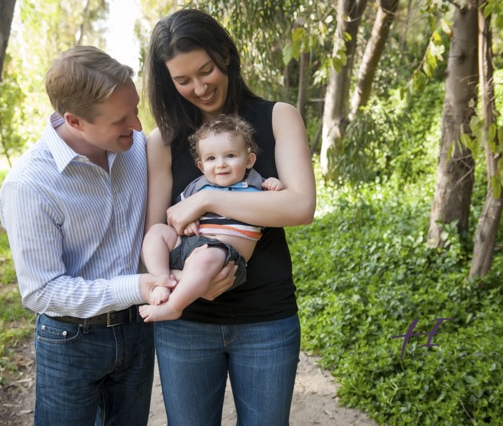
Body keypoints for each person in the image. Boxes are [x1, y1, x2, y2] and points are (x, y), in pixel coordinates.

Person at [143, 8, 316, 426]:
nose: (200, 88)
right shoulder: (162, 140)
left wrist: (205, 202)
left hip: (266, 319)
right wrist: (182, 285)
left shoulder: (278, 117)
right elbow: (156, 229)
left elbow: (299, 207)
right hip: (187, 323)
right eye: (183, 80)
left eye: (206, 71)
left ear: (225, 55)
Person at [0, 46, 183, 426]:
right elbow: (41, 291)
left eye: (135, 109)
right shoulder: (29, 185)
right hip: (70, 340)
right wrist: (136, 286)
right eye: (121, 119)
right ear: (75, 121)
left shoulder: (135, 151)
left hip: (137, 329)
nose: (136, 125)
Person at [139, 114, 285, 322]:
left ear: (249, 160)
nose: (221, 164)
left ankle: (174, 306)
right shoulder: (198, 186)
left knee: (206, 257)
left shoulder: (256, 186)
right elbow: (177, 213)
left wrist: (274, 185)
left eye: (231, 156)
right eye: (211, 159)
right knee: (156, 232)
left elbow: (277, 206)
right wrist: (187, 221)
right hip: (190, 246)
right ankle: (161, 280)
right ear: (201, 166)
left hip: (224, 255)